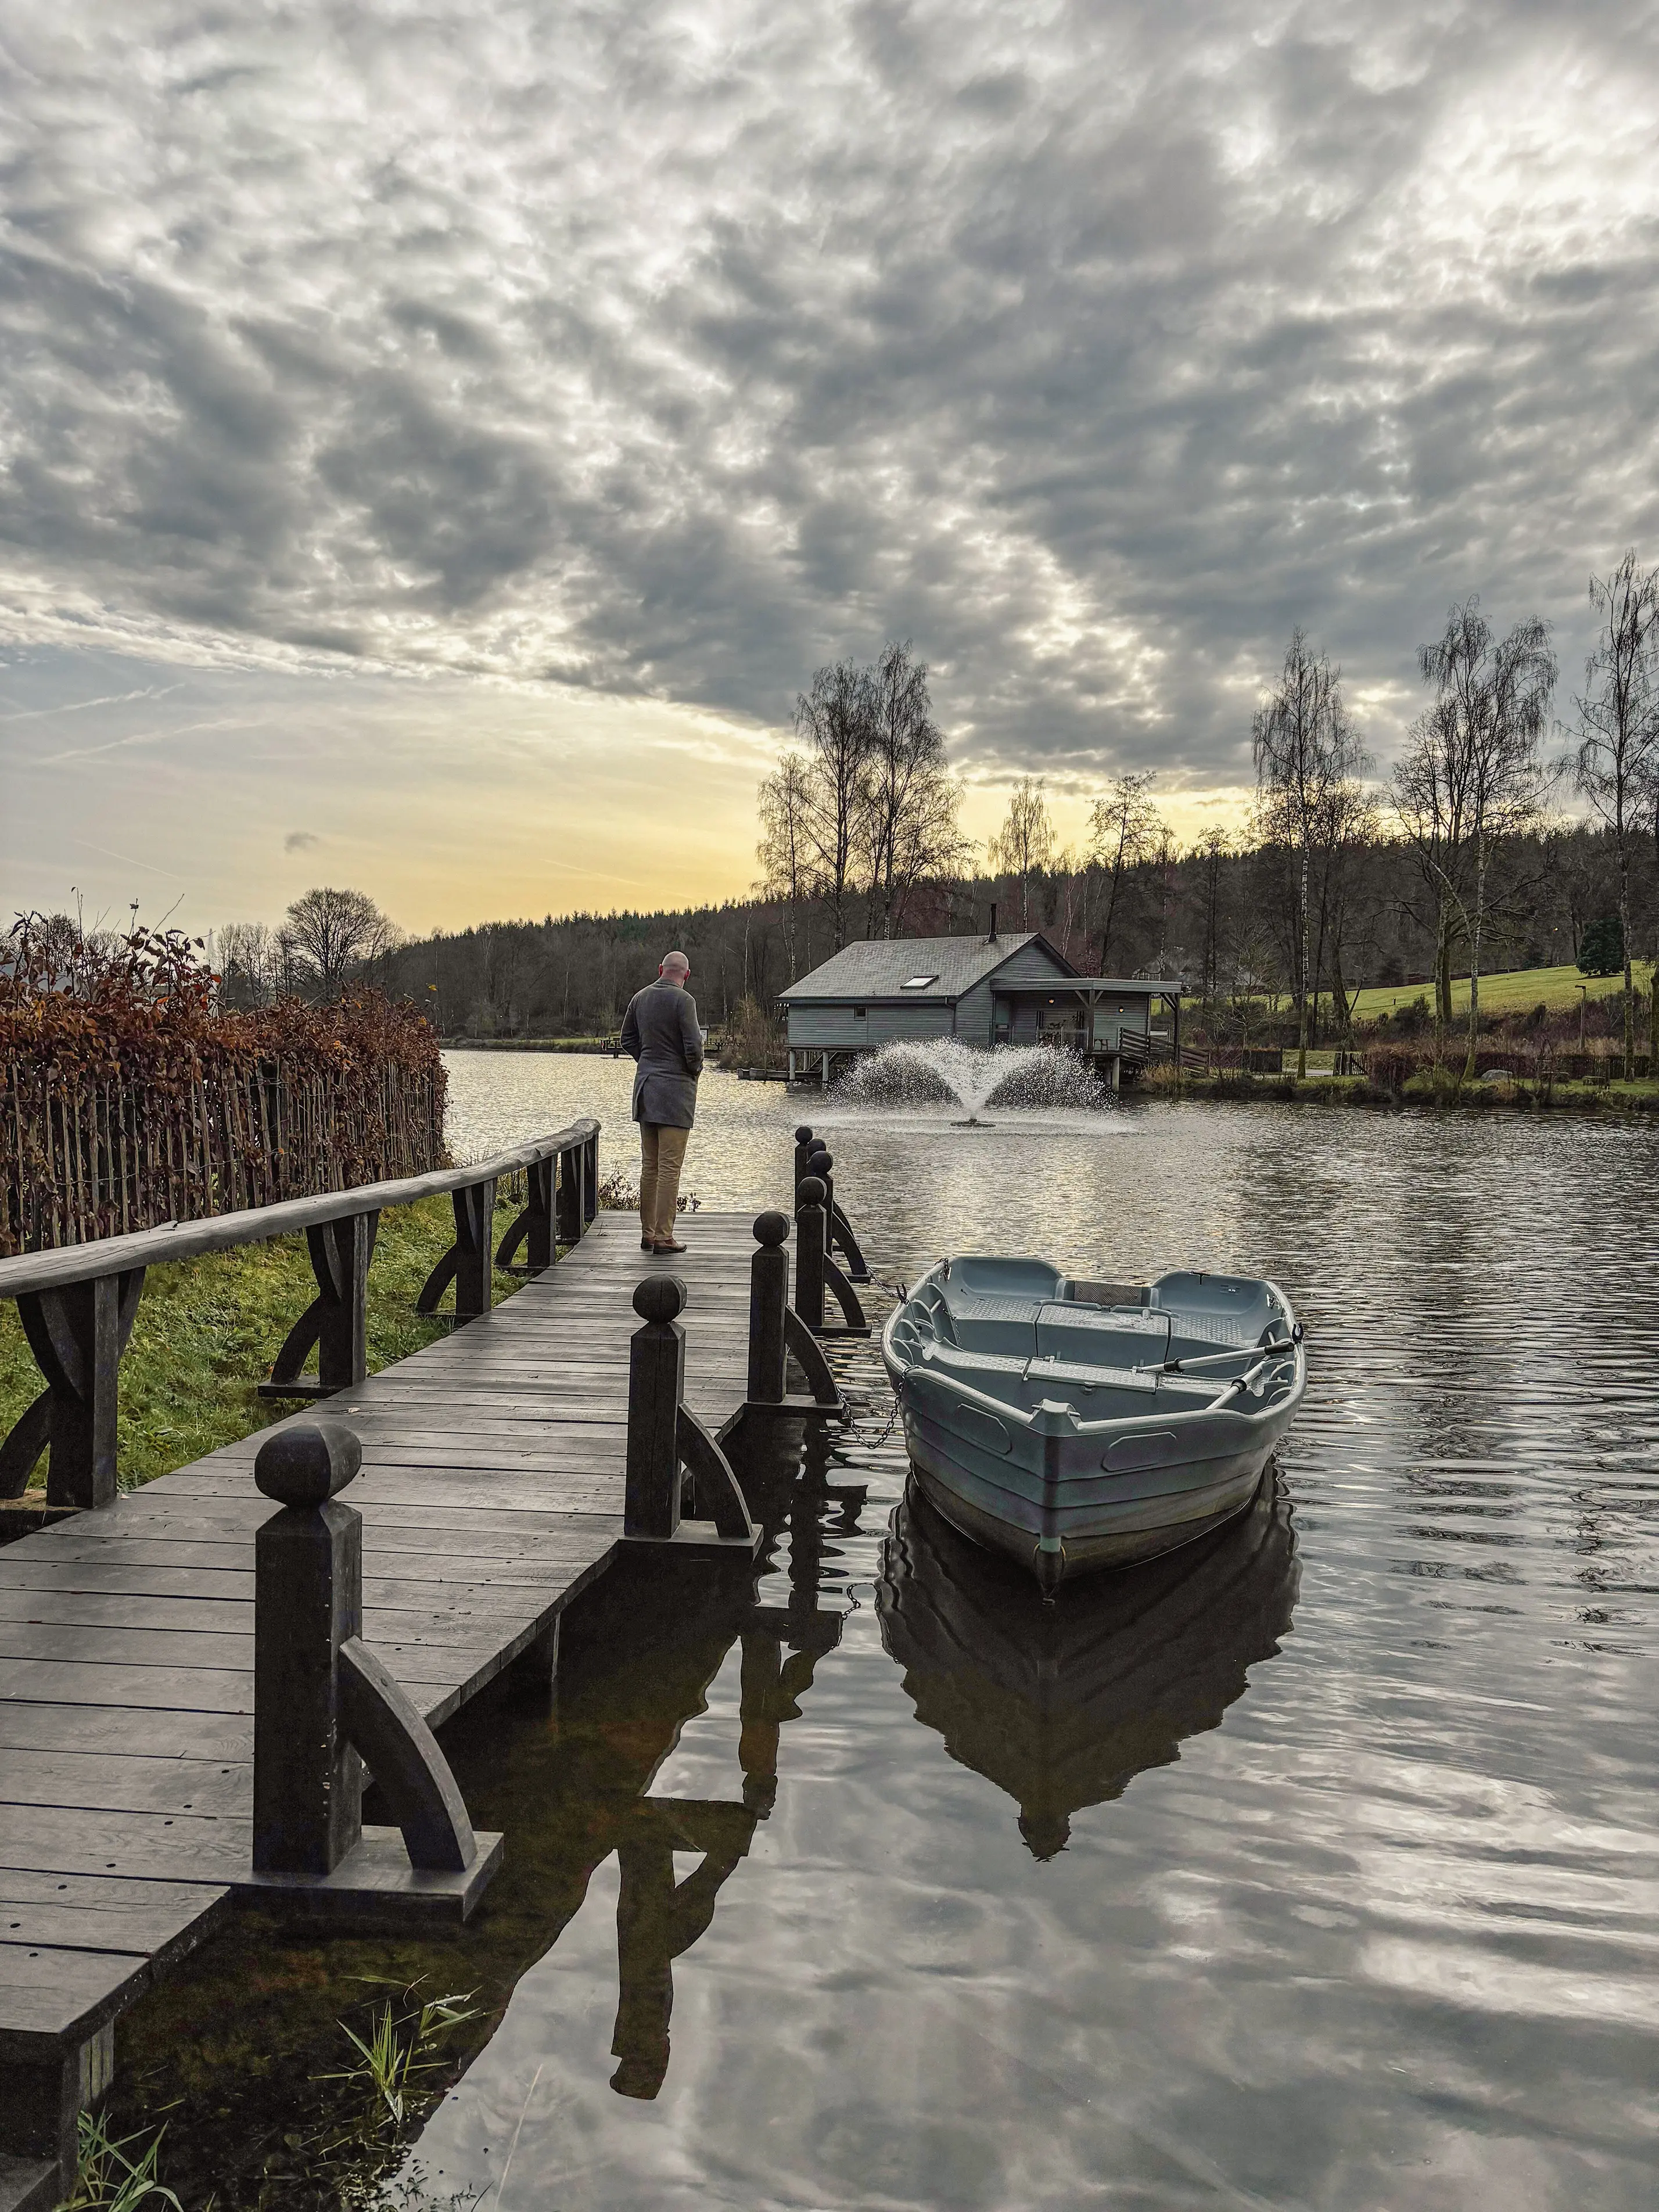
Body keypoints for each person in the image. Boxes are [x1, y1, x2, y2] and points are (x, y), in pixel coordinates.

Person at [619, 951, 705, 1254]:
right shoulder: (685, 1001)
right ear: (687, 974)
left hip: (645, 1089)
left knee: (650, 1166)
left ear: (660, 970)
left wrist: (648, 1062)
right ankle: (664, 1237)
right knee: (669, 1168)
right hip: (675, 1094)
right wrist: (691, 1071)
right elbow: (694, 1047)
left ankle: (648, 1234)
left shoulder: (640, 998)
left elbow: (627, 1038)